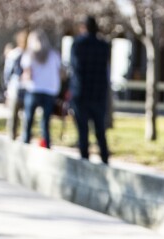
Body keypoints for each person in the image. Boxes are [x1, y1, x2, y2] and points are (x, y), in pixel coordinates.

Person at [69, 15, 112, 164]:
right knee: (100, 130)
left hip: (82, 93)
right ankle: (105, 158)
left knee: (83, 130)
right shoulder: (104, 45)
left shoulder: (78, 44)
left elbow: (75, 68)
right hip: (98, 93)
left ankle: (84, 158)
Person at [22, 29, 61, 147]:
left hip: (34, 89)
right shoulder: (54, 55)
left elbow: (27, 74)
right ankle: (46, 143)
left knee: (28, 119)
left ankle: (26, 142)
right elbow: (59, 72)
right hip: (50, 90)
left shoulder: (29, 54)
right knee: (45, 121)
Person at [4, 32, 28, 140]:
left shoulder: (16, 54)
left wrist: (6, 86)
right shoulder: (18, 54)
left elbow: (7, 74)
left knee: (15, 115)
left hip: (18, 87)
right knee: (21, 115)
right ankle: (18, 136)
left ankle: (14, 136)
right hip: (20, 87)